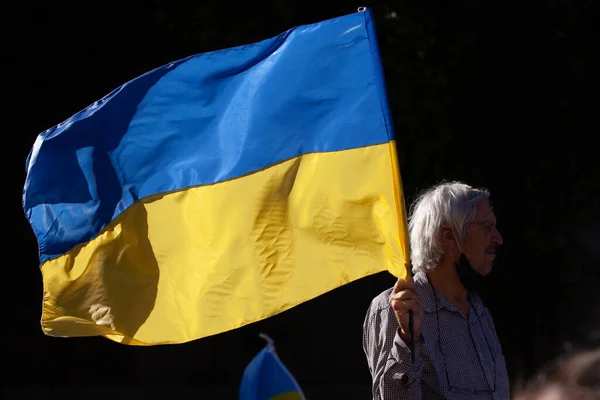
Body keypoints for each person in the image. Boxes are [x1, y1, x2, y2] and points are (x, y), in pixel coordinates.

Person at [363, 181, 510, 399]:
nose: (498, 239)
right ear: (449, 236)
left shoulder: (479, 311)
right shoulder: (396, 307)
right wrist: (406, 339)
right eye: (486, 227)